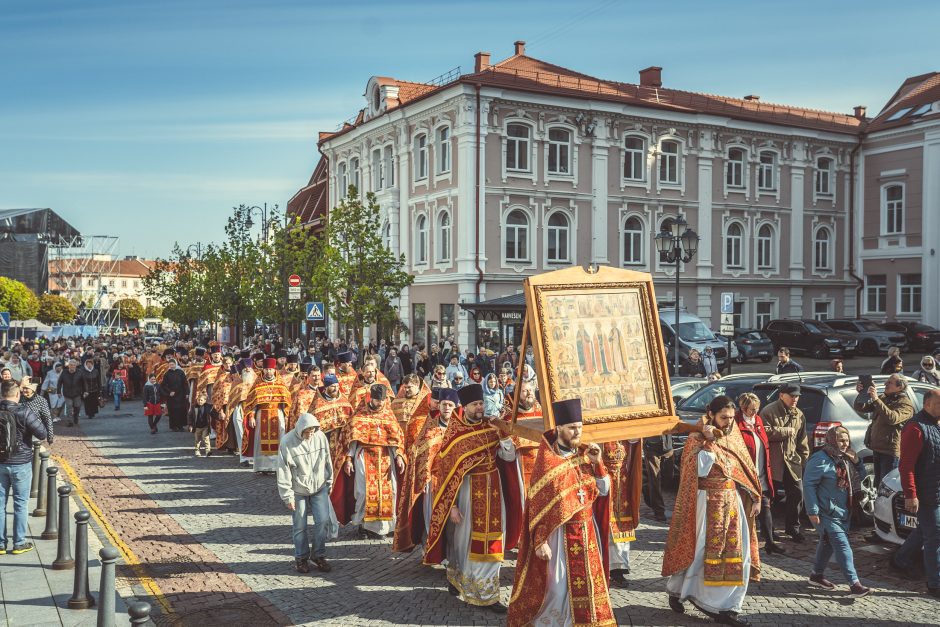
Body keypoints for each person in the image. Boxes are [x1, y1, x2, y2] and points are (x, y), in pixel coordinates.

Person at [507, 398, 614, 626]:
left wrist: (598, 465)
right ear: (559, 429)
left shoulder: (587, 456)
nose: (577, 432)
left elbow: (603, 491)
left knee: (589, 584)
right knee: (556, 587)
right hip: (558, 536)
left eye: (579, 427)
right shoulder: (547, 462)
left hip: (586, 532)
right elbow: (537, 507)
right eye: (572, 428)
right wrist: (539, 541)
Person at [423, 383, 523, 613]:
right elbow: (447, 473)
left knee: (493, 539)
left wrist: (506, 438)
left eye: (481, 403)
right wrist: (453, 506)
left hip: (494, 490)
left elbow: (507, 457)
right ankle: (456, 577)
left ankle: (487, 594)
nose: (480, 408)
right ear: (465, 407)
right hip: (467, 493)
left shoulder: (491, 427)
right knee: (462, 542)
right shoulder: (456, 434)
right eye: (475, 404)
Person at [662, 395, 761, 627]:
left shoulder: (733, 435)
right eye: (723, 417)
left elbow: (745, 468)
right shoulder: (696, 437)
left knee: (739, 552)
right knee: (699, 551)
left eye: (730, 417)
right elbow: (698, 471)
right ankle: (678, 591)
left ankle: (728, 606)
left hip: (732, 500)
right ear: (712, 415)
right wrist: (707, 442)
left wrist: (756, 495)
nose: (728, 422)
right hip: (706, 500)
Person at [802, 425, 870, 596]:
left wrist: (857, 462)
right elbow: (809, 485)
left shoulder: (846, 458)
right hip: (827, 512)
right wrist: (812, 511)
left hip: (844, 511)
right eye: (841, 440)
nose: (844, 443)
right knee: (842, 544)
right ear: (831, 440)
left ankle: (816, 575)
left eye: (846, 439)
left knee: (827, 543)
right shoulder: (819, 459)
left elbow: (861, 477)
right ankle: (854, 584)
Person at [331, 384, 405, 539]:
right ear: (371, 398)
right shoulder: (359, 414)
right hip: (364, 456)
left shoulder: (388, 415)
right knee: (364, 492)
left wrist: (398, 455)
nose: (380, 404)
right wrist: (349, 459)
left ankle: (388, 526)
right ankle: (364, 526)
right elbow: (351, 439)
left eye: (383, 401)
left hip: (385, 456)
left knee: (390, 492)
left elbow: (396, 438)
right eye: (378, 400)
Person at [393, 387, 458, 554]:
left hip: (456, 481)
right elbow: (418, 454)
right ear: (439, 405)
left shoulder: (459, 429)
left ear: (456, 407)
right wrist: (425, 477)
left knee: (453, 523)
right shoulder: (430, 429)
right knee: (432, 519)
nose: (447, 408)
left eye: (451, 404)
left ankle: (450, 555)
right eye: (444, 404)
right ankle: (432, 551)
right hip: (433, 482)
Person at [277, 412, 337, 574]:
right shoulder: (287, 441)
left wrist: (329, 482)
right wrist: (287, 495)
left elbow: (327, 461)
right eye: (308, 431)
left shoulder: (320, 437)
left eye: (313, 430)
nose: (310, 434)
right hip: (298, 490)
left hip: (319, 487)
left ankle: (318, 555)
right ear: (301, 429)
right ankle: (301, 558)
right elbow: (283, 470)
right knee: (300, 526)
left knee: (323, 521)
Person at [894, 389, 940, 595]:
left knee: (926, 530)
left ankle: (901, 559)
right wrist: (911, 494)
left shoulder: (936, 424)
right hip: (927, 493)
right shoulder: (915, 427)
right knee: (935, 536)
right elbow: (907, 466)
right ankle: (935, 584)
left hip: (936, 489)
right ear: (927, 404)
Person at [0, 379, 48, 555]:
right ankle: (19, 543)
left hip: (0, 463)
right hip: (21, 462)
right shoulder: (24, 411)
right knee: (20, 504)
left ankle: (1, 544)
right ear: (18, 394)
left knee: (0, 505)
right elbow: (42, 433)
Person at [735, 393, 783, 555]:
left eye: (757, 409)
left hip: (761, 471)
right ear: (743, 408)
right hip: (745, 474)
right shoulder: (736, 423)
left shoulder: (758, 421)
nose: (755, 412)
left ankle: (769, 542)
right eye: (752, 410)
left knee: (766, 506)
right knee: (745, 510)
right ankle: (743, 544)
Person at [762, 382, 810, 542]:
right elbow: (763, 433)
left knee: (797, 494)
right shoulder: (769, 411)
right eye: (792, 396)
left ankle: (793, 528)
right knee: (771, 498)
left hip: (792, 462)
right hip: (774, 463)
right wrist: (785, 431)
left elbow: (802, 440)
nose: (795, 399)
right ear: (781, 395)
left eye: (797, 396)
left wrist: (803, 459)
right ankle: (768, 530)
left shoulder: (799, 414)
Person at [854, 373, 914, 486]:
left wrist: (876, 399)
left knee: (887, 486)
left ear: (900, 387)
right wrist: (862, 394)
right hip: (877, 448)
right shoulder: (883, 398)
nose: (885, 384)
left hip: (890, 452)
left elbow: (892, 418)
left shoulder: (906, 404)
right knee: (878, 484)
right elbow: (861, 408)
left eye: (889, 382)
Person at [603, 439, 643, 587]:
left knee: (622, 526)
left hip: (623, 481)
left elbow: (634, 441)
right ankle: (605, 565)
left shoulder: (626, 437)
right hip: (605, 480)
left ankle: (618, 568)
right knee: (605, 524)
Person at [244, 358, 293, 474]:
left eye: (270, 369)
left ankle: (278, 467)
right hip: (262, 415)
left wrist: (286, 415)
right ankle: (262, 467)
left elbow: (287, 401)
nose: (268, 372)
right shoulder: (258, 384)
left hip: (277, 414)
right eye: (266, 369)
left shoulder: (280, 384)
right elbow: (251, 403)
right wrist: (251, 416)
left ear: (274, 369)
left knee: (280, 440)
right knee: (260, 440)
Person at [502, 379, 542, 490]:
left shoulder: (542, 415)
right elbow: (507, 454)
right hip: (521, 467)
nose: (529, 393)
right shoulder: (509, 419)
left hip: (543, 464)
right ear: (516, 395)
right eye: (525, 391)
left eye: (530, 390)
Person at [390, 373, 430, 453]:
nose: (406, 390)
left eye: (409, 387)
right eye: (404, 387)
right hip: (401, 442)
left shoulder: (425, 401)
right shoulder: (396, 402)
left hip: (419, 441)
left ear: (417, 385)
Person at [643, 434, 672, 522]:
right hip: (651, 447)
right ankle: (659, 512)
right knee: (655, 480)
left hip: (668, 447)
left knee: (669, 477)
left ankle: (646, 488)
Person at [19, 380, 53, 447]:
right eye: (24, 388)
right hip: (21, 431)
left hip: (35, 430)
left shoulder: (41, 401)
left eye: (27, 388)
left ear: (33, 390)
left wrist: (50, 435)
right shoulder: (20, 399)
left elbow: (47, 418)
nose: (24, 390)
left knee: (35, 451)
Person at [161, 358, 190, 432]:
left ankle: (181, 426)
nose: (172, 366)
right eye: (170, 365)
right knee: (173, 411)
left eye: (173, 364)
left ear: (176, 364)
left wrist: (187, 393)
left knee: (181, 410)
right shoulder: (167, 374)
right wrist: (169, 392)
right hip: (172, 396)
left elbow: (185, 383)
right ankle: (174, 426)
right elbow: (164, 385)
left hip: (181, 394)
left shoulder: (181, 372)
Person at [58, 359, 84, 426]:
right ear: (68, 366)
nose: (72, 366)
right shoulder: (64, 372)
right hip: (67, 393)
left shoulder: (80, 372)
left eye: (74, 365)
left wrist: (85, 391)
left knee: (77, 406)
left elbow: (84, 382)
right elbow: (59, 382)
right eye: (71, 365)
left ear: (76, 366)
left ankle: (75, 417)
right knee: (69, 406)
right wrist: (58, 392)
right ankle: (70, 421)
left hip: (77, 393)